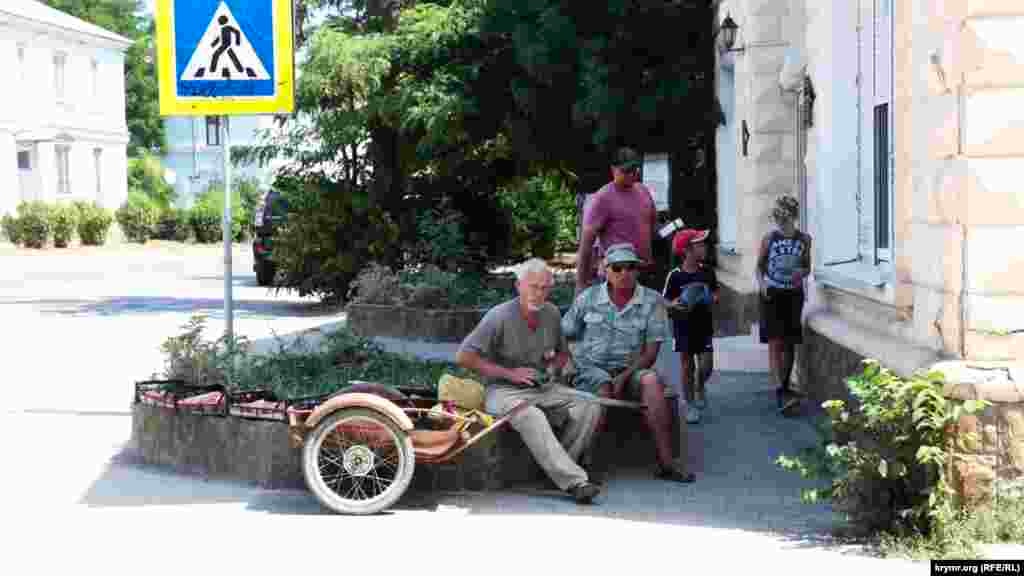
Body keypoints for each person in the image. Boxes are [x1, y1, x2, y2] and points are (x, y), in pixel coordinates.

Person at [456, 258, 603, 504]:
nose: (539, 293)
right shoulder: (499, 316)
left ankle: (555, 469)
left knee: (590, 405)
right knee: (531, 415)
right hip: (502, 390)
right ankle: (575, 482)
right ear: (518, 286)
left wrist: (554, 368)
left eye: (545, 288)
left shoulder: (552, 313)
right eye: (533, 287)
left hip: (541, 386)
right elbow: (464, 356)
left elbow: (563, 353)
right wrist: (511, 374)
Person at [562, 242, 696, 483]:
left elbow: (651, 352)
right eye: (617, 268)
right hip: (590, 369)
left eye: (631, 267)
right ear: (605, 270)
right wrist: (568, 364)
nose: (624, 273)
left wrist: (625, 376)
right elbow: (563, 333)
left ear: (638, 270)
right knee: (602, 385)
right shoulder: (588, 298)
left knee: (652, 381)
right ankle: (587, 462)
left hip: (631, 369)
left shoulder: (652, 301)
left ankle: (667, 462)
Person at [756, 195, 812, 414]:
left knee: (789, 341)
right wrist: (762, 285)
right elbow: (759, 267)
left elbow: (807, 266)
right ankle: (780, 390)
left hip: (793, 294)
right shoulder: (769, 238)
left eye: (784, 214)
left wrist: (802, 273)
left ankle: (786, 384)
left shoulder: (804, 239)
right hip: (772, 293)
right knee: (776, 340)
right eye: (777, 214)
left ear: (792, 216)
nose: (779, 218)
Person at [575, 147, 657, 294]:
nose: (631, 174)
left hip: (644, 272)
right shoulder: (603, 198)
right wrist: (581, 282)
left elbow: (651, 226)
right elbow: (586, 243)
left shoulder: (643, 191)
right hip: (617, 274)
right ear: (613, 169)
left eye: (634, 169)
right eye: (625, 171)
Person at [663, 228, 720, 425]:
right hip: (683, 328)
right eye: (700, 244)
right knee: (687, 365)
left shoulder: (707, 271)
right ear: (687, 250)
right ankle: (689, 405)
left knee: (707, 366)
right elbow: (665, 301)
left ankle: (700, 385)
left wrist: (710, 298)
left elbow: (715, 294)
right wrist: (674, 304)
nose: (704, 247)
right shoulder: (675, 276)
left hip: (704, 326)